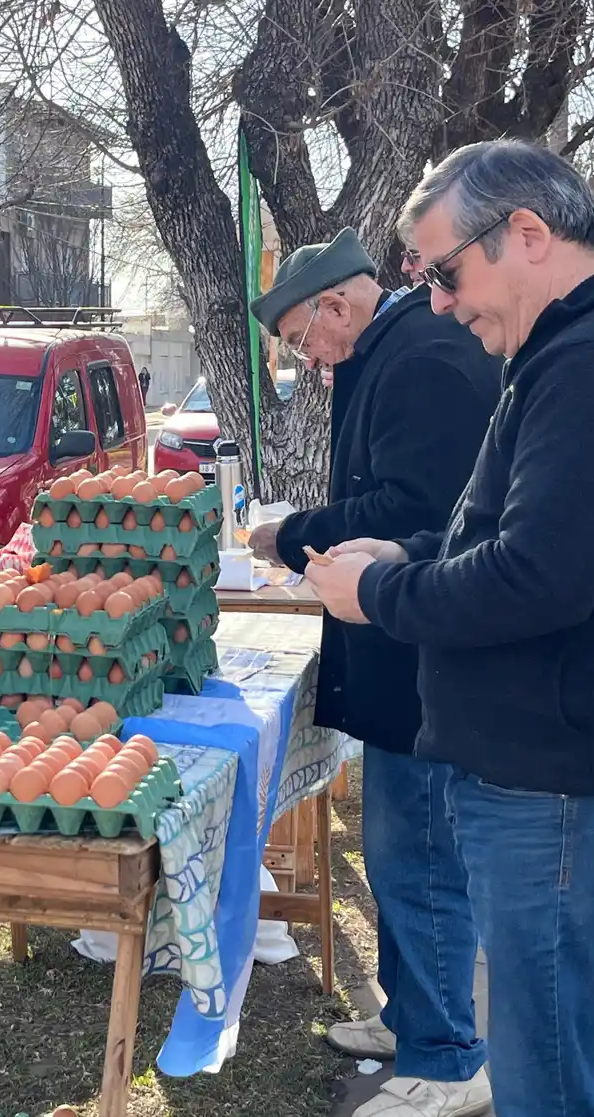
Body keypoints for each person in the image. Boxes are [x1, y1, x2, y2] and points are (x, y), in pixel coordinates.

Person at [306, 140, 594, 1117]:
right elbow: (507, 538)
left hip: (567, 798)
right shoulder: (581, 348)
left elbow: (538, 578)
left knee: (562, 1089)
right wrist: (408, 554)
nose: (441, 303)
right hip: (566, 790)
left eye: (445, 272)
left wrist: (381, 597)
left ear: (526, 234)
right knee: (582, 1070)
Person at [248, 229, 500, 1117]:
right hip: (407, 650)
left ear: (337, 306)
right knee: (401, 849)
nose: (303, 357)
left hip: (426, 658)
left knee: (421, 854)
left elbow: (413, 509)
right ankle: (412, 1018)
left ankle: (446, 1057)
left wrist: (292, 532)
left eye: (298, 338)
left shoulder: (419, 359)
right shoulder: (395, 352)